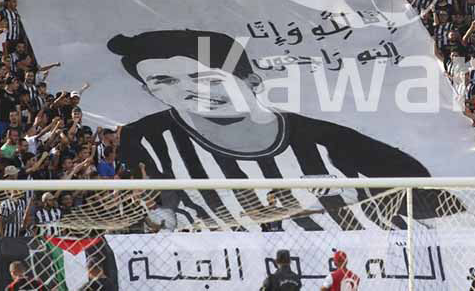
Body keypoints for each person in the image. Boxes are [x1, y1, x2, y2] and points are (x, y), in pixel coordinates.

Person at [110, 29, 453, 230]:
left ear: (251, 80)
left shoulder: (329, 142)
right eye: (162, 81)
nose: (190, 91)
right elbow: (147, 213)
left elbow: (433, 202)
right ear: (148, 90)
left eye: (206, 78)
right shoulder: (145, 141)